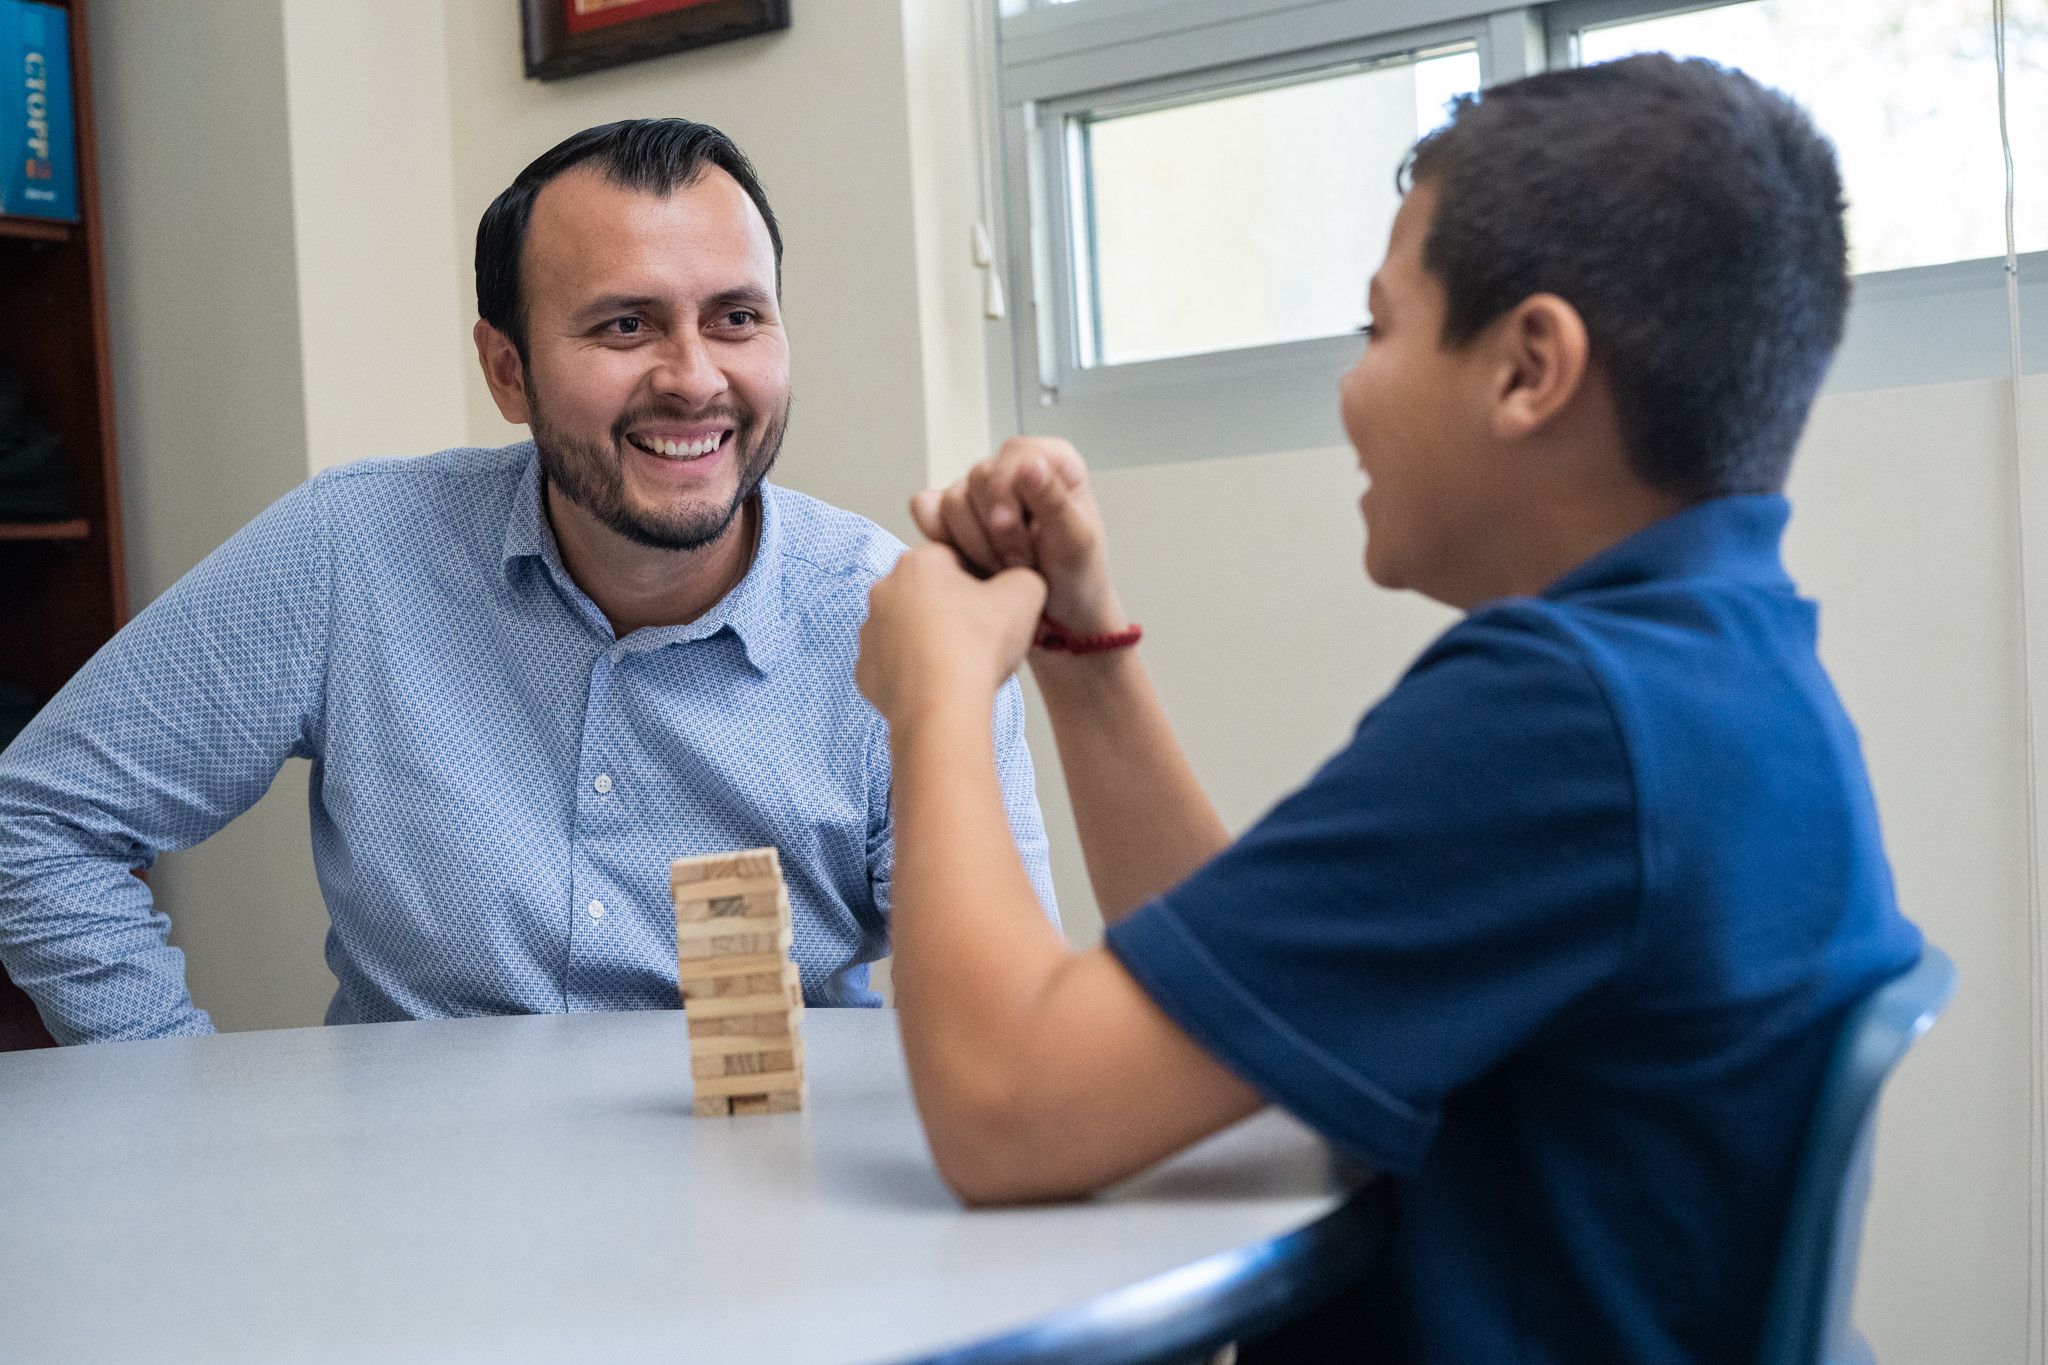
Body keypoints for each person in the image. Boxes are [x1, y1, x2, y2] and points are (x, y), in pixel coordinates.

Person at [853, 55, 1922, 1363]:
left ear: (1529, 367)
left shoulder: (1565, 720)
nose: (1351, 388)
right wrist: (1078, 649)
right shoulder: (1714, 673)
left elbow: (1006, 1109)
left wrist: (938, 693)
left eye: (1378, 330)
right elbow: (1239, 1006)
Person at [0, 118, 1055, 1045]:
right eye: (623, 325)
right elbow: (35, 821)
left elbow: (1005, 1010)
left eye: (736, 317)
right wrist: (172, 1083)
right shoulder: (352, 550)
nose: (693, 378)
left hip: (775, 1202)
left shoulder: (901, 618)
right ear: (507, 372)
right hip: (421, 1213)